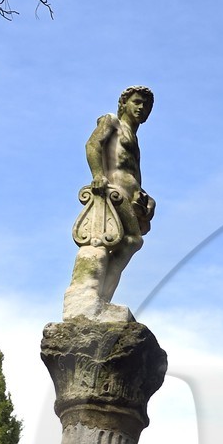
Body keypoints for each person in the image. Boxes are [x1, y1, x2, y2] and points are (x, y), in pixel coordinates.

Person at [64, 86, 155, 320]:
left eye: (146, 106)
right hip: (112, 191)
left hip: (129, 197)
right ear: (124, 104)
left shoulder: (134, 139)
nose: (141, 107)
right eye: (136, 102)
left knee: (133, 241)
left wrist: (147, 199)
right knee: (111, 241)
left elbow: (132, 173)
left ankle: (101, 300)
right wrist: (97, 175)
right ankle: (91, 297)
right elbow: (92, 144)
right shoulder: (111, 121)